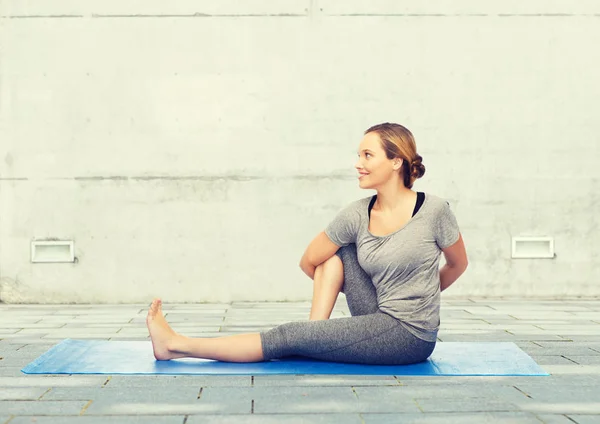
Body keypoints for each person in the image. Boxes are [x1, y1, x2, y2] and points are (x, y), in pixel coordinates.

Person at [146, 122, 468, 364]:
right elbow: (309, 261)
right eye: (358, 155)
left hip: (409, 334)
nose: (358, 163)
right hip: (376, 311)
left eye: (368, 155)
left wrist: (422, 295)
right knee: (336, 253)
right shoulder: (356, 214)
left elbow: (458, 264)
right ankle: (315, 334)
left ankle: (175, 345)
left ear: (396, 162)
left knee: (286, 336)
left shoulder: (434, 211)